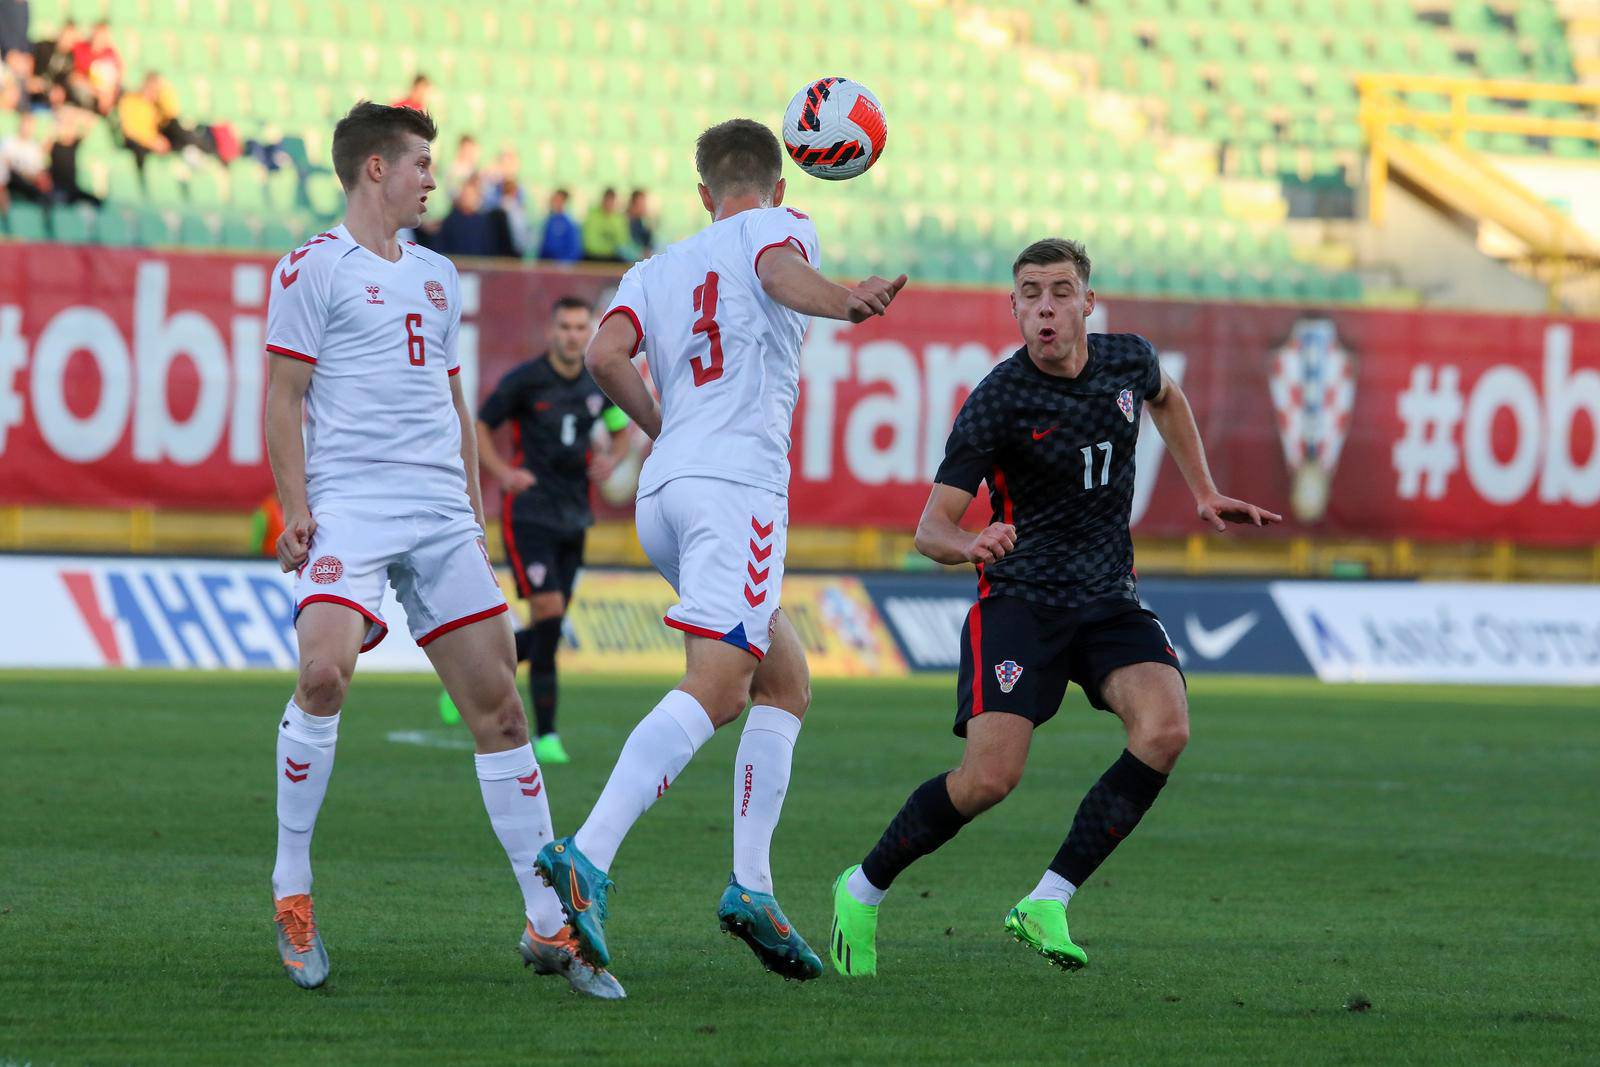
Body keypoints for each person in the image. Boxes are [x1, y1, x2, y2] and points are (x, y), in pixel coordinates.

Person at [827, 238, 1281, 977]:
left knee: (1166, 728)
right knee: (988, 780)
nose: (1045, 305)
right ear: (1013, 308)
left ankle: (1047, 898)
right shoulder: (999, 400)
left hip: (1106, 597)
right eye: (1030, 292)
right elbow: (929, 528)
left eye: (1061, 290)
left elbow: (1168, 397)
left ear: (1087, 303)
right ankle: (862, 887)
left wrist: (1202, 487)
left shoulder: (1128, 360)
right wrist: (971, 542)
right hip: (1021, 602)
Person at [261, 100, 623, 999]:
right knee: (323, 675)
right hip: (351, 503)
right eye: (421, 161)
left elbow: (452, 401)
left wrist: (470, 508)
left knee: (502, 712)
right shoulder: (312, 268)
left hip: (439, 513)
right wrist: (296, 510)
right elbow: (283, 395)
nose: (434, 176)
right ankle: (291, 888)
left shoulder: (436, 273)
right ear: (375, 168)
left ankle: (549, 925)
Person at [534, 118, 906, 980]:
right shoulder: (781, 226)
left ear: (703, 193)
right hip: (737, 486)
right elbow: (780, 274)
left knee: (783, 678)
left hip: (667, 491)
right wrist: (845, 296)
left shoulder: (655, 268)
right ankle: (586, 857)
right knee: (720, 682)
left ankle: (753, 885)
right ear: (778, 187)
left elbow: (605, 355)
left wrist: (667, 429)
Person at [457, 295, 631, 765]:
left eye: (580, 328)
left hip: (575, 515)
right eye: (566, 327)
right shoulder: (525, 380)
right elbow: (479, 424)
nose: (573, 336)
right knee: (550, 615)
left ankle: (472, 676)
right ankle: (547, 734)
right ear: (551, 332)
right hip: (529, 513)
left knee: (548, 626)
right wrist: (502, 472)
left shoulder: (600, 383)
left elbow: (623, 423)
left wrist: (612, 457)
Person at [432, 172, 515, 257]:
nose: (468, 198)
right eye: (466, 195)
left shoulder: (485, 222)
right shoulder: (450, 221)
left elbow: (490, 248)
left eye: (471, 195)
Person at [1, 111, 49, 204]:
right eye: (25, 125)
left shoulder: (34, 146)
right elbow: (6, 164)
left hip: (29, 181)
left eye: (30, 126)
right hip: (12, 180)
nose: (27, 128)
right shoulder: (8, 141)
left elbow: (38, 169)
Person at [580, 186, 628, 262]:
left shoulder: (619, 219)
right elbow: (590, 242)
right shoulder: (592, 216)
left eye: (611, 201)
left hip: (612, 256)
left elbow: (622, 242)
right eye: (607, 200)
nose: (609, 204)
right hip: (593, 256)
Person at [536, 187, 581, 262]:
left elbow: (574, 250)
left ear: (564, 201)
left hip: (561, 265)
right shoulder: (549, 220)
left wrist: (563, 264)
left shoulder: (570, 223)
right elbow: (544, 245)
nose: (554, 202)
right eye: (554, 199)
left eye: (557, 200)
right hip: (547, 263)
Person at [625, 187, 654, 258]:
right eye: (641, 204)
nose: (644, 207)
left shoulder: (641, 221)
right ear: (633, 204)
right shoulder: (624, 221)